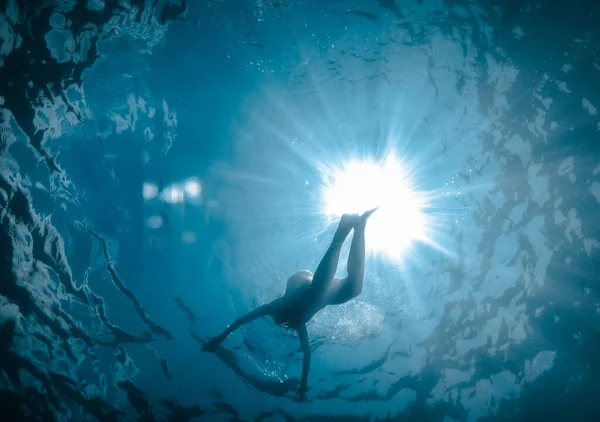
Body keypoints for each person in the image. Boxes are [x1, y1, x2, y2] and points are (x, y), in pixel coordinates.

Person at [202, 207, 379, 401]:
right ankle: (360, 225)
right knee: (353, 290)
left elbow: (242, 320)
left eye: (282, 322)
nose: (284, 323)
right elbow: (307, 354)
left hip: (306, 284)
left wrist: (219, 339)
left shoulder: (275, 307)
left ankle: (343, 229)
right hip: (323, 295)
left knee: (319, 288)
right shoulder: (298, 324)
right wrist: (303, 385)